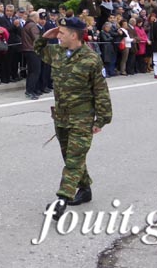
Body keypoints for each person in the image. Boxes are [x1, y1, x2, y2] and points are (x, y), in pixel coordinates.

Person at [35, 16, 112, 221]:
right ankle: (85, 189)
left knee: (74, 159)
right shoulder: (57, 52)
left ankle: (61, 200)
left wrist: (101, 119)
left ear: (74, 35)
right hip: (61, 117)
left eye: (62, 32)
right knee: (71, 157)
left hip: (82, 118)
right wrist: (45, 36)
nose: (58, 35)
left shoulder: (91, 58)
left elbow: (101, 91)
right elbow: (38, 50)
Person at [22, 12, 42, 100]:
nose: (39, 19)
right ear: (35, 17)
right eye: (38, 17)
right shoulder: (33, 26)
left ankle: (30, 90)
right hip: (32, 50)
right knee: (35, 72)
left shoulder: (26, 25)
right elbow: (37, 39)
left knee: (31, 72)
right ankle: (30, 91)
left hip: (27, 50)